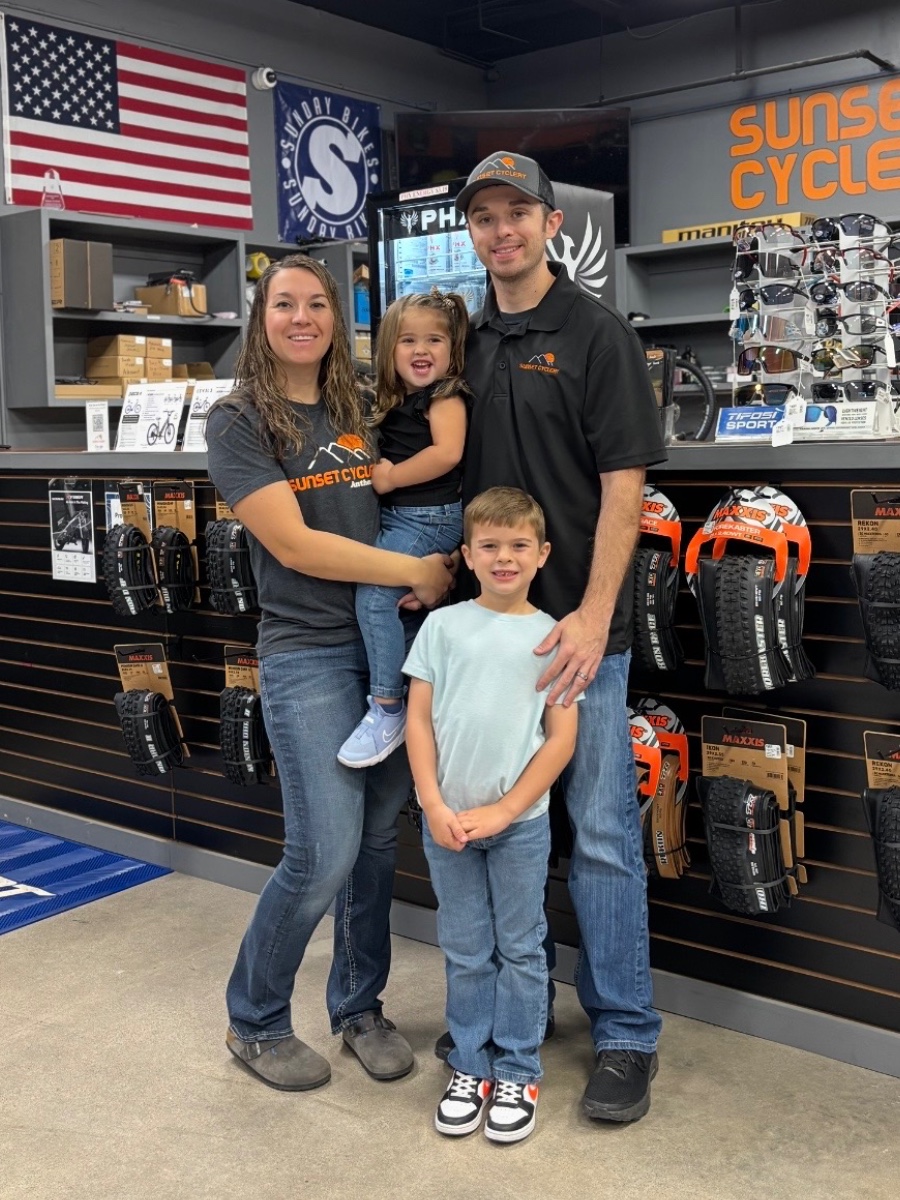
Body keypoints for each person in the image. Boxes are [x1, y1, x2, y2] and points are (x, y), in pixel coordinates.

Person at [452, 151, 668, 1123]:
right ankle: (525, 1006)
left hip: (580, 637)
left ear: (550, 224)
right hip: (492, 636)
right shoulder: (468, 340)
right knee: (512, 834)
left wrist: (592, 614)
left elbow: (627, 487)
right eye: (484, 216)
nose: (501, 230)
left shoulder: (596, 334)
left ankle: (625, 1034)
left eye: (517, 212)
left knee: (604, 838)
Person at [205, 253, 453, 1092]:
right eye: (285, 304)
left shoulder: (359, 405)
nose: (302, 317)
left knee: (377, 844)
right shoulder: (239, 419)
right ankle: (255, 1020)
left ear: (337, 319)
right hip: (307, 652)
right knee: (323, 852)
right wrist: (413, 572)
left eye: (317, 303)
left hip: (390, 648)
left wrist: (446, 554)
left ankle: (357, 1007)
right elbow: (296, 545)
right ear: (261, 318)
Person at [405, 487, 580, 1143]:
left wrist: (507, 809)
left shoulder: (553, 638)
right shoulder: (442, 627)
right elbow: (418, 722)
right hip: (447, 824)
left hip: (520, 829)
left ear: (542, 554)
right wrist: (431, 802)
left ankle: (518, 1070)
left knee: (521, 949)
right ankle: (470, 1065)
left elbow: (560, 740)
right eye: (490, 546)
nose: (504, 557)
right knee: (466, 949)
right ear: (469, 555)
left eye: (518, 545)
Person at [337, 289, 469, 768]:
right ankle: (411, 700)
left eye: (434, 340)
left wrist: (391, 477)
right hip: (407, 517)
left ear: (453, 349)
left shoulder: (445, 395)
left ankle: (387, 705)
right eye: (408, 340)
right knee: (392, 603)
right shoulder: (402, 399)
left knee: (375, 596)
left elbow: (447, 453)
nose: (421, 350)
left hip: (429, 516)